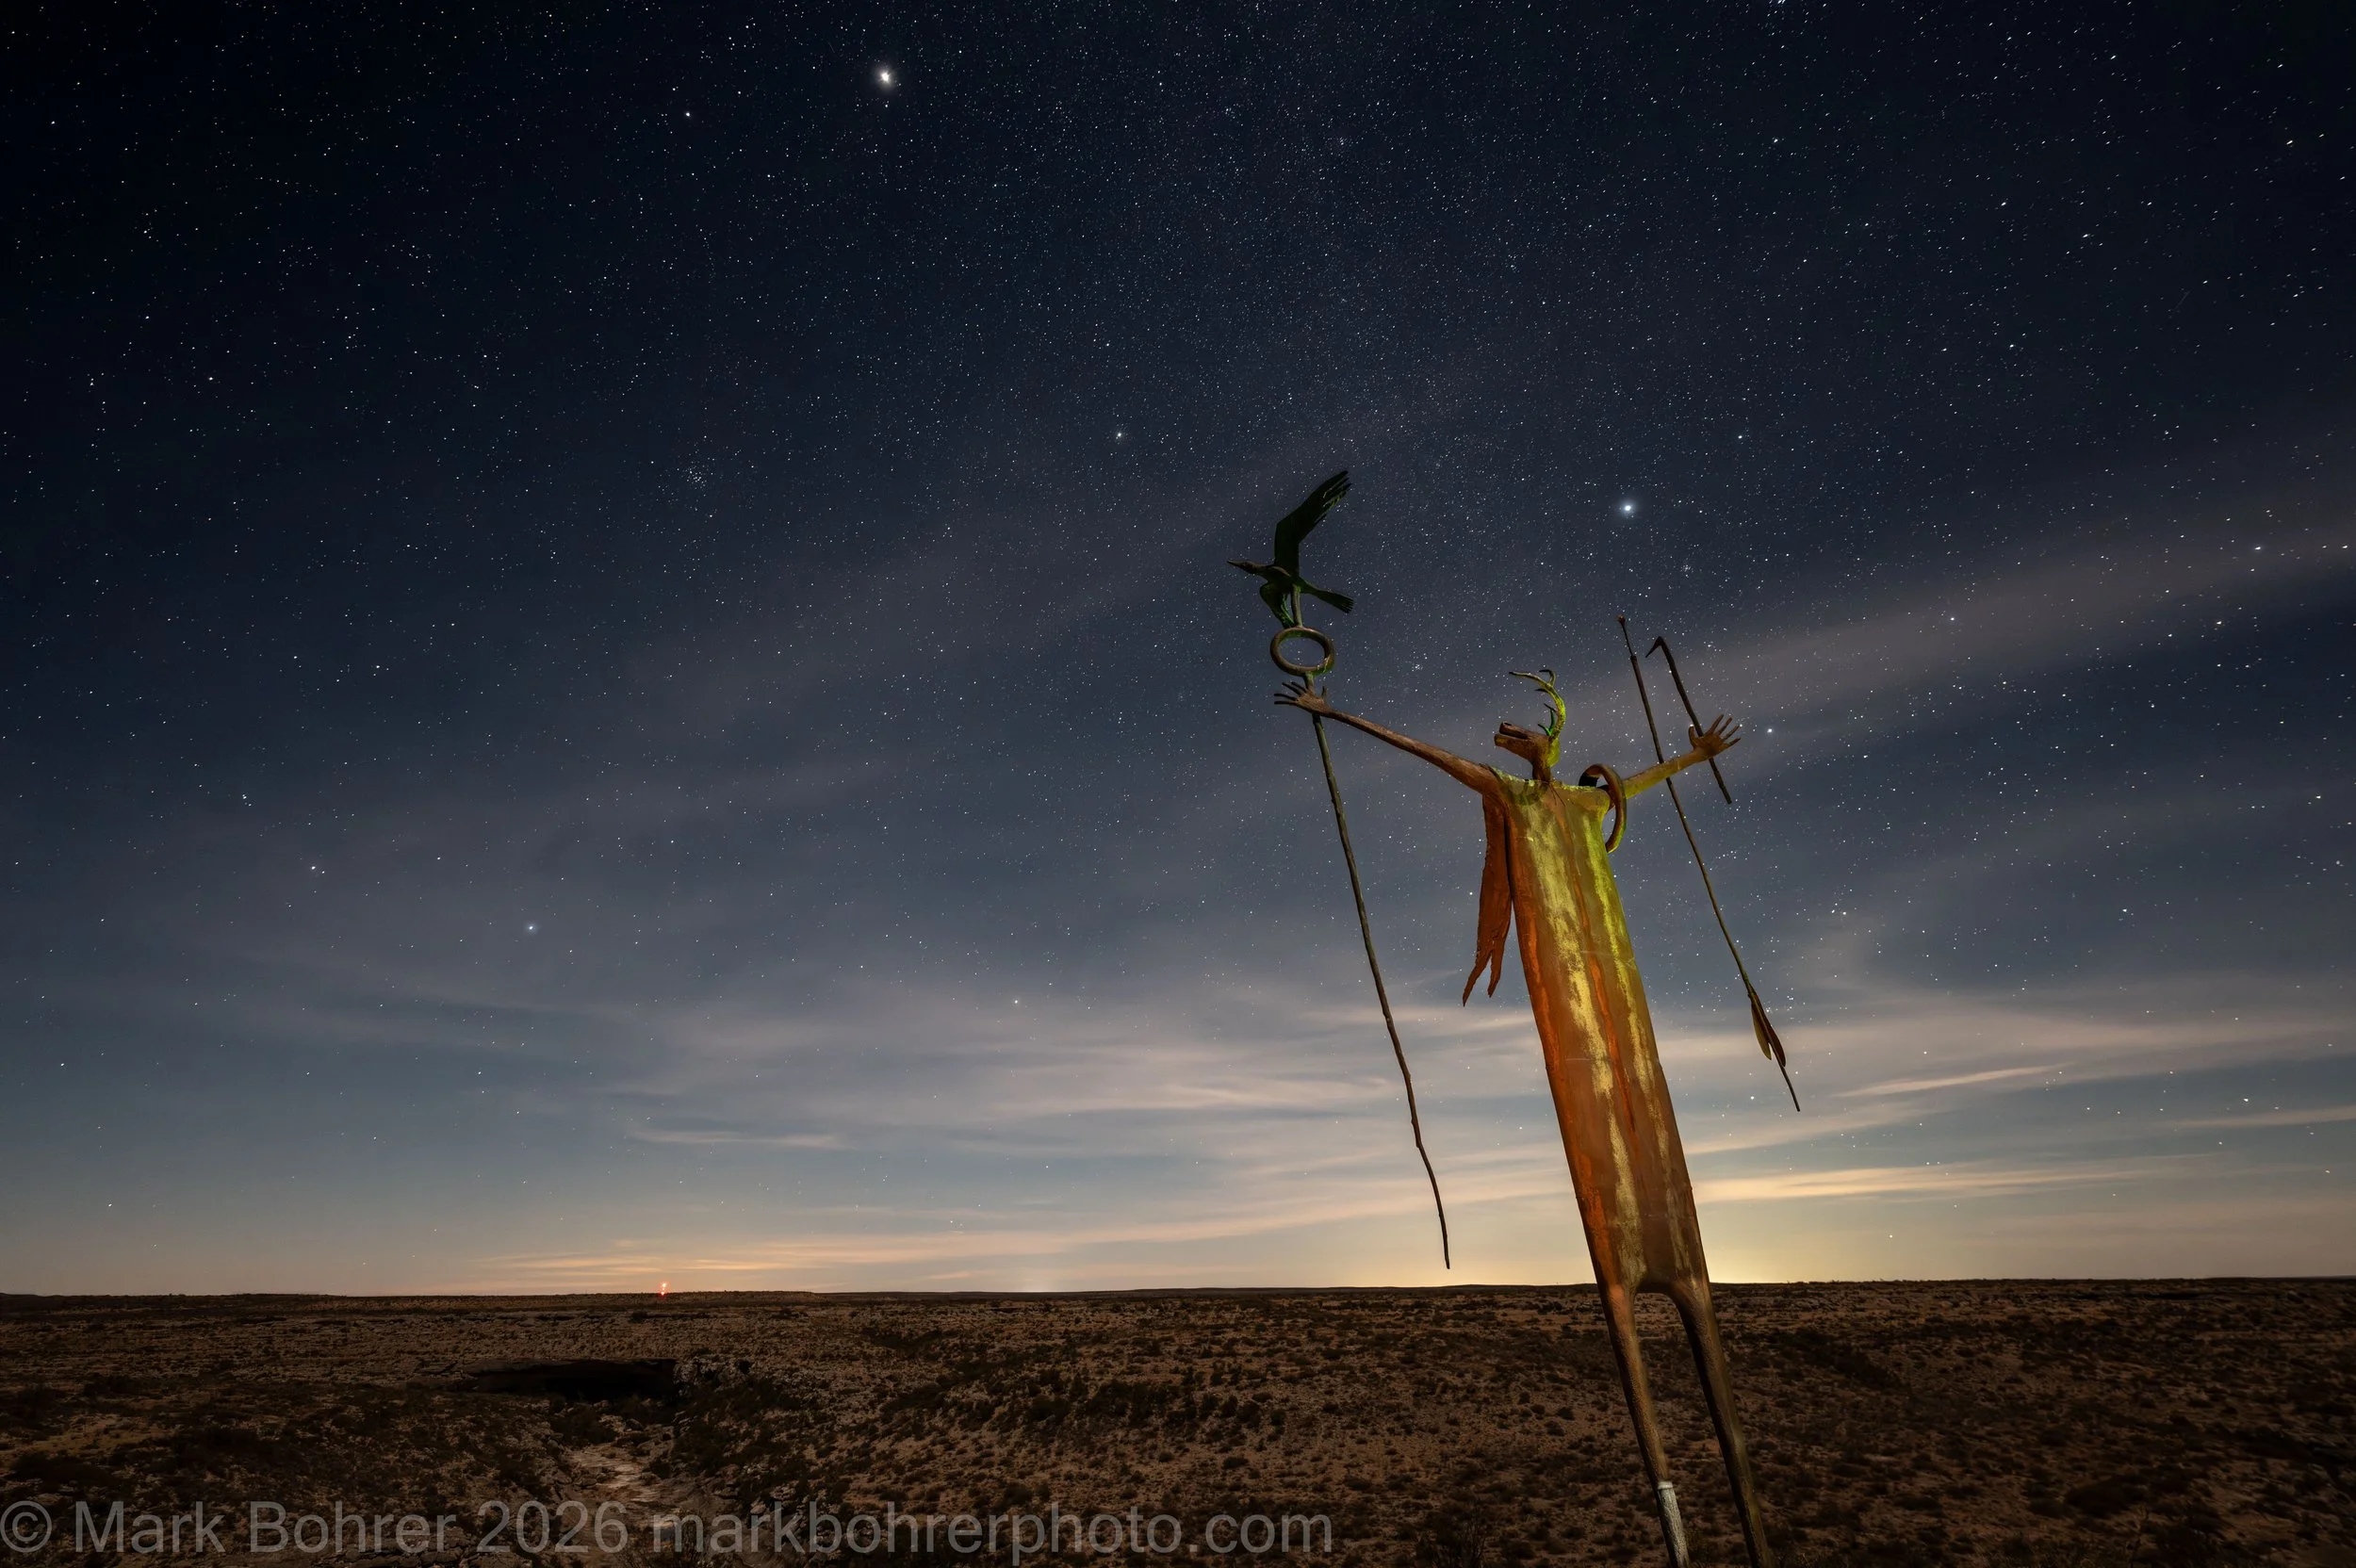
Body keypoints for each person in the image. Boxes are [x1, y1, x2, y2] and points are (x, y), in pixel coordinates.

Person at [1277, 670, 1773, 1568]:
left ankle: (1742, 1511)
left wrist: (1692, 759)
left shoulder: (1585, 810)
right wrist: (1332, 712)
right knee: (1605, 1148)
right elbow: (1432, 757)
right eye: (1524, 743)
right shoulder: (1509, 793)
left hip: (1612, 973)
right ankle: (1680, 1521)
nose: (1523, 745)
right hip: (1571, 968)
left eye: (1538, 740)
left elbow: (1640, 782)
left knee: (1635, 1096)